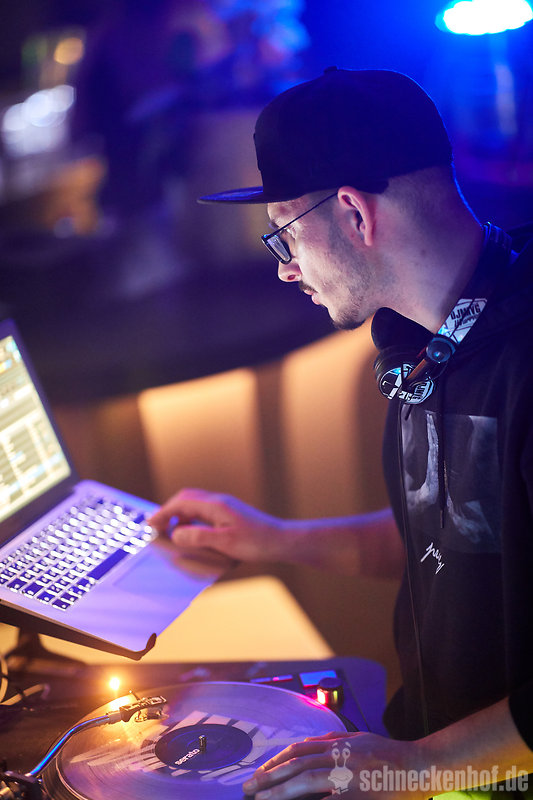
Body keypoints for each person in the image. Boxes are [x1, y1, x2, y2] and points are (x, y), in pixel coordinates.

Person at [148, 67, 533, 798]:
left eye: (285, 234)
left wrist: (418, 766)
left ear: (354, 213)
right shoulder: (424, 345)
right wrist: (271, 539)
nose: (287, 270)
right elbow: (456, 535)